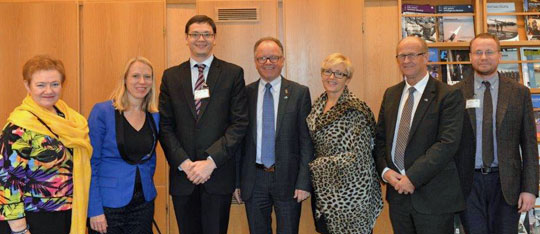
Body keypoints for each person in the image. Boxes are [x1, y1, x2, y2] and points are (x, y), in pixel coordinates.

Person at [159, 15, 248, 234]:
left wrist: (210, 162)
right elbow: (165, 126)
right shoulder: (171, 76)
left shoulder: (232, 73)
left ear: (214, 38)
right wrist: (185, 163)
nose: (201, 39)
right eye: (195, 34)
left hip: (217, 176)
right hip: (184, 178)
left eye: (207, 34)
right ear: (186, 38)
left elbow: (239, 124)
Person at [374, 36, 465, 234]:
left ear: (426, 57)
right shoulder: (391, 94)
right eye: (402, 56)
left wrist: (412, 178)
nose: (406, 61)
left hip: (434, 198)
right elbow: (380, 139)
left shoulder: (448, 95)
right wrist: (385, 172)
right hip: (397, 195)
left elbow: (447, 144)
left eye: (413, 55)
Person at [455, 33, 539, 234]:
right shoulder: (455, 93)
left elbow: (529, 145)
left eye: (489, 52)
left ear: (499, 55)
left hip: (506, 184)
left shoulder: (519, 93)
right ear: (470, 56)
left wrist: (530, 189)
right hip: (469, 184)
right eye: (478, 52)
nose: (484, 57)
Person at [0, 55, 92, 234]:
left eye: (55, 84)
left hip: (69, 215)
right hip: (33, 218)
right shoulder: (19, 126)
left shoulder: (71, 120)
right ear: (28, 86)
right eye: (41, 85)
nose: (48, 90)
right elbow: (7, 180)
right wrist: (19, 229)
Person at [235, 37, 313, 234]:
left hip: (288, 179)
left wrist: (304, 182)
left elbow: (306, 141)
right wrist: (237, 183)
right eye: (262, 58)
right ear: (255, 61)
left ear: (283, 60)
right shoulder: (245, 94)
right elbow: (238, 143)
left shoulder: (299, 93)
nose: (267, 62)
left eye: (273, 57)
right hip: (254, 179)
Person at [306, 53, 383, 234]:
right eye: (328, 71)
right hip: (323, 191)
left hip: (351, 195)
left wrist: (318, 165)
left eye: (339, 74)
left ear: (347, 79)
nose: (332, 77)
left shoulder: (355, 109)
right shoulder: (318, 104)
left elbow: (359, 157)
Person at [87, 57, 159, 234]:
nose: (142, 82)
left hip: (143, 204)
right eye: (135, 76)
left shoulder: (154, 116)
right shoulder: (102, 112)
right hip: (108, 204)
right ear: (125, 79)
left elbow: (150, 159)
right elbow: (90, 163)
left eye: (147, 77)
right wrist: (94, 210)